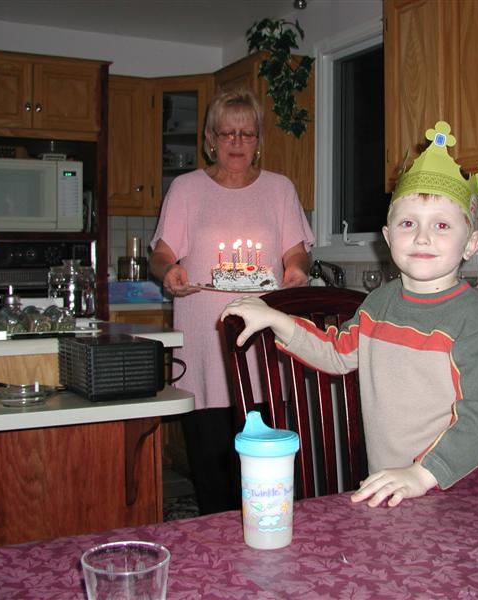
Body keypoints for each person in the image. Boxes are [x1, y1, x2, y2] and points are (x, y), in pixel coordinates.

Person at [221, 120, 478, 508]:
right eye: (408, 223)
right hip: (392, 489)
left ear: (471, 244)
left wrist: (421, 474)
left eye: (441, 225)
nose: (422, 236)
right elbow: (336, 353)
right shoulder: (378, 304)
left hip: (455, 489)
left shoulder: (474, 321)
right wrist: (279, 319)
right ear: (388, 237)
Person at [149, 88, 314, 514]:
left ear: (259, 139)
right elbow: (161, 254)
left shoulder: (279, 189)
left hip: (262, 348)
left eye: (247, 133)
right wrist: (169, 271)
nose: (237, 142)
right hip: (205, 347)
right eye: (227, 133)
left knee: (264, 474)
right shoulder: (186, 189)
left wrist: (296, 269)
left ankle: (267, 533)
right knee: (212, 469)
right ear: (209, 138)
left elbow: (297, 252)